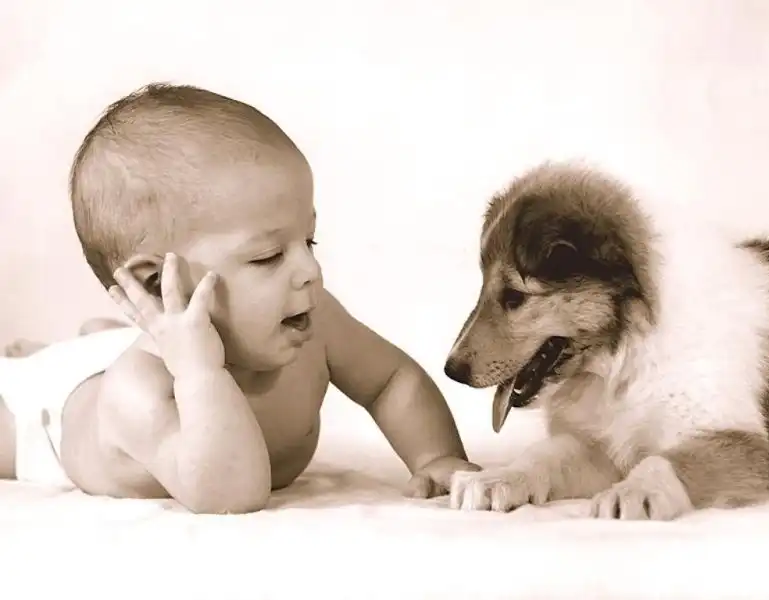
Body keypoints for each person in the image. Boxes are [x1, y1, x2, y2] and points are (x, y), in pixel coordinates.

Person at [0, 83, 480, 513]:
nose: (310, 270)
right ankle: (40, 361)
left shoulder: (314, 323)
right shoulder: (140, 391)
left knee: (109, 347)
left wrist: (436, 457)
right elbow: (230, 494)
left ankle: (91, 340)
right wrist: (200, 373)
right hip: (45, 416)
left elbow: (391, 381)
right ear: (159, 285)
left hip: (133, 346)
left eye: (309, 241)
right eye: (268, 256)